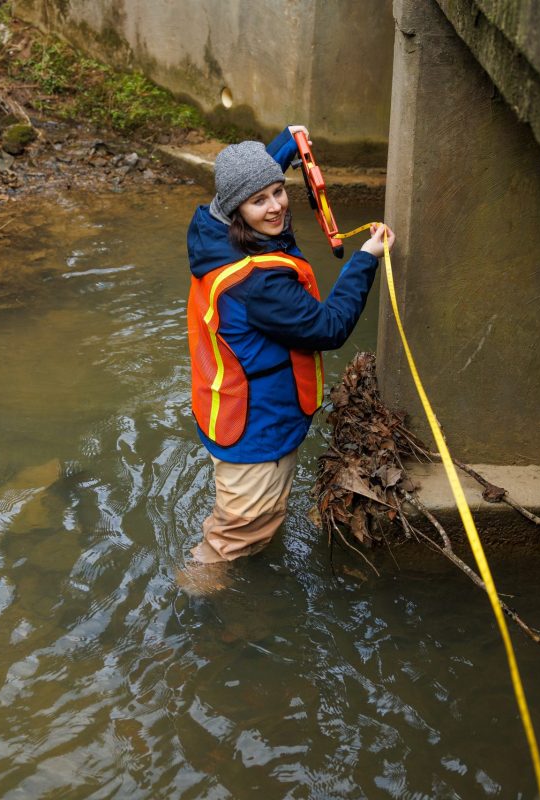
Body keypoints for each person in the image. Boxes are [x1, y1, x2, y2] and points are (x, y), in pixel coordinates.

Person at [184, 124, 395, 571]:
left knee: (256, 525)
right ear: (236, 210)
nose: (277, 206)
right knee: (230, 542)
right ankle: (198, 613)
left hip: (241, 412)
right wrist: (365, 259)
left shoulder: (212, 229)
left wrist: (287, 144)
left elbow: (251, 182)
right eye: (260, 200)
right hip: (255, 432)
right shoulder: (258, 284)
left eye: (279, 191)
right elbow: (330, 327)